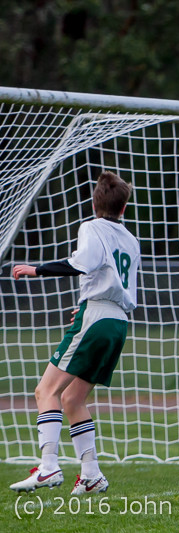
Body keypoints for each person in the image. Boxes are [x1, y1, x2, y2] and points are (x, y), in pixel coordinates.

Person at [9, 171, 140, 495]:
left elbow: (84, 263)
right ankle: (91, 474)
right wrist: (89, 304)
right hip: (117, 321)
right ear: (124, 208)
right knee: (72, 398)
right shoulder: (131, 239)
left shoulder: (91, 227)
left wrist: (36, 269)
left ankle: (49, 467)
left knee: (45, 391)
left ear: (94, 204)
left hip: (96, 316)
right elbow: (110, 277)